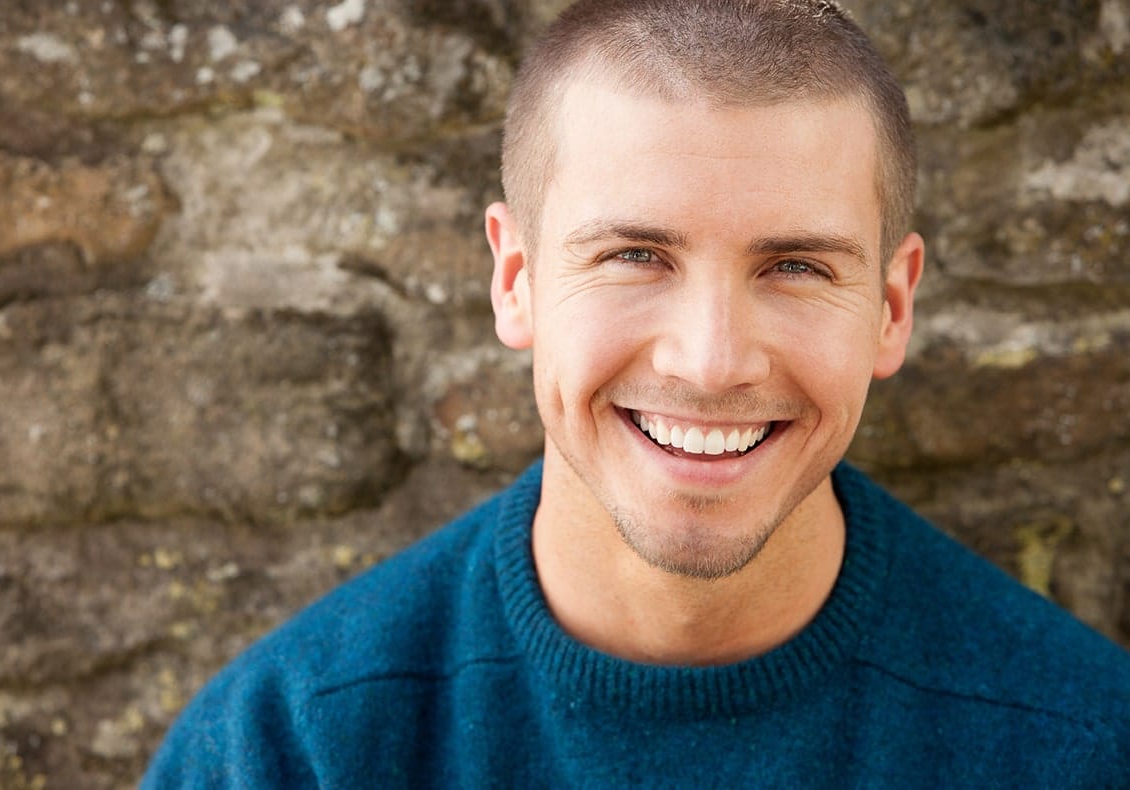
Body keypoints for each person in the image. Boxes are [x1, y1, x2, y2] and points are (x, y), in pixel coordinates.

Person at [143, 0, 1130, 786]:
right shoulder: (292, 747)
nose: (710, 361)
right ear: (516, 278)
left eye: (794, 266)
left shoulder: (1081, 743)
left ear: (891, 305)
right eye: (634, 256)